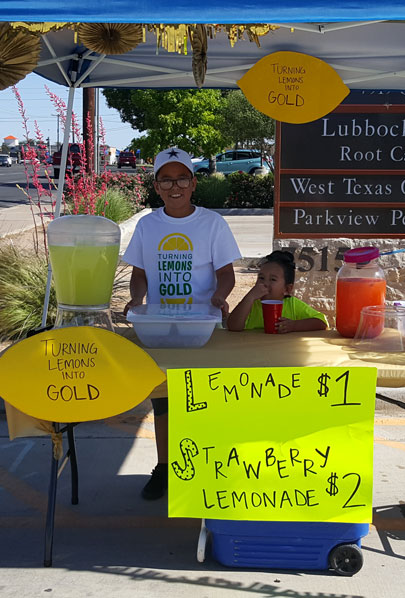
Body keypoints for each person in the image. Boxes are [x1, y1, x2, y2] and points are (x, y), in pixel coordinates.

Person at [122, 146, 240, 500]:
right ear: (156, 186)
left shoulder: (212, 223)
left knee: (205, 399)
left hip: (203, 329)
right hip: (161, 328)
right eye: (166, 180)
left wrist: (218, 299)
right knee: (165, 401)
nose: (175, 187)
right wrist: (137, 298)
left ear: (193, 183)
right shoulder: (148, 225)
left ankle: (205, 469)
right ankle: (165, 468)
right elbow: (139, 273)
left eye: (182, 179)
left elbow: (227, 275)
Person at [226, 250, 328, 332]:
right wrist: (250, 297)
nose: (265, 283)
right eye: (261, 278)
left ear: (287, 289)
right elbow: (233, 326)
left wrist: (294, 326)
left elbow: (321, 322)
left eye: (273, 279)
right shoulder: (251, 304)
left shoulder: (293, 305)